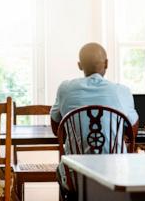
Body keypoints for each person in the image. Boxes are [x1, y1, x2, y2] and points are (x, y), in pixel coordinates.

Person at [50, 42, 138, 191]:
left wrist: (76, 136)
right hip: (116, 176)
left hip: (75, 177)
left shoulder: (65, 88)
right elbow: (132, 131)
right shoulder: (122, 91)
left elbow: (56, 127)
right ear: (107, 63)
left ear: (79, 65)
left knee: (61, 171)